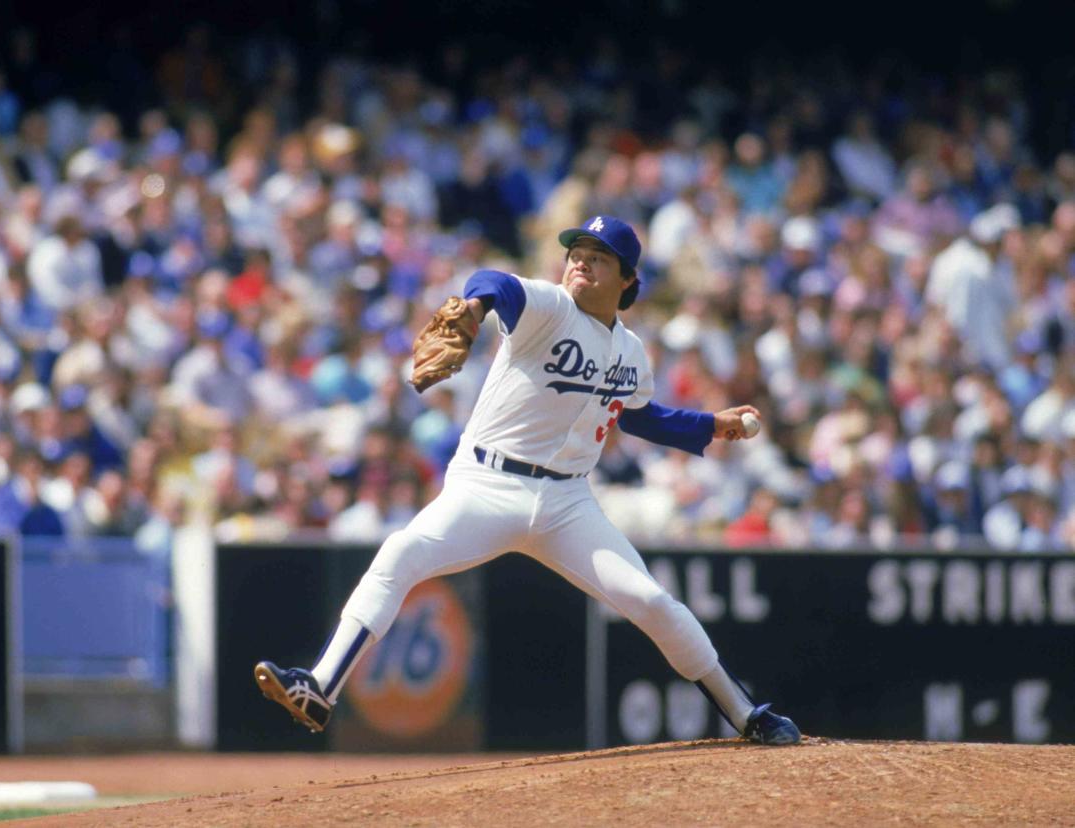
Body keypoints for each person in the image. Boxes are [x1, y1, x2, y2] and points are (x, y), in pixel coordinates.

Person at [260, 216, 801, 745]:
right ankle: (320, 687)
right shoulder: (549, 306)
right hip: (486, 486)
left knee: (654, 602)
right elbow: (494, 283)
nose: (581, 263)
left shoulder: (632, 352)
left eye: (599, 257)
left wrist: (711, 426)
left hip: (568, 501)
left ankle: (746, 713)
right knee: (401, 554)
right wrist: (473, 308)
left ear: (628, 279)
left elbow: (636, 414)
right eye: (576, 254)